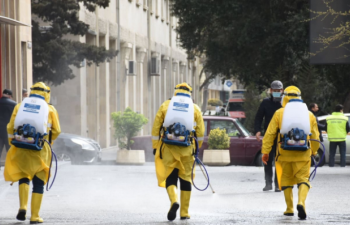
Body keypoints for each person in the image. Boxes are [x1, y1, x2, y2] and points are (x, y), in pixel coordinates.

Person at [4, 82, 61, 224]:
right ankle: (35, 216)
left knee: (24, 177)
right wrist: (49, 141)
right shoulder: (50, 109)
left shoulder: (20, 106)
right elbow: (57, 130)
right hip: (41, 149)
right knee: (39, 182)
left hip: (22, 147)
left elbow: (10, 127)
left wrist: (13, 142)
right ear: (46, 93)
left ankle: (23, 207)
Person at [261, 86, 320, 219]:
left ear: (285, 97)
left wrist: (265, 152)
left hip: (284, 153)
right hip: (303, 154)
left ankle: (289, 208)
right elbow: (315, 136)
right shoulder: (309, 114)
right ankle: (301, 203)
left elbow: (269, 134)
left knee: (286, 179)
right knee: (303, 179)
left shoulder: (279, 113)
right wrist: (314, 151)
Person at [152, 82, 205, 221]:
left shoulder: (165, 105)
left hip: (168, 148)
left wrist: (155, 145)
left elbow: (156, 126)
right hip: (187, 149)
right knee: (186, 179)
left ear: (176, 92)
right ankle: (184, 213)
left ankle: (174, 200)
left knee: (171, 176)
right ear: (190, 93)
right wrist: (197, 146)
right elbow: (200, 132)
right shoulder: (194, 108)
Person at [254, 80, 283, 192]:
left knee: (279, 160)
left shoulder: (285, 103)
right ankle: (268, 184)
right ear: (271, 91)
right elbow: (258, 117)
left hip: (281, 136)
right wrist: (257, 130)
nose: (276, 92)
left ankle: (277, 184)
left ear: (282, 91)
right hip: (269, 136)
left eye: (278, 90)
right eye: (274, 90)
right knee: (267, 159)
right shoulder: (265, 102)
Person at [0, 89, 16, 170]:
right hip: (8, 132)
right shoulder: (14, 104)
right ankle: (11, 167)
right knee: (9, 150)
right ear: (10, 96)